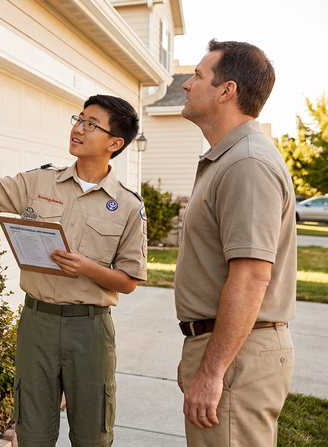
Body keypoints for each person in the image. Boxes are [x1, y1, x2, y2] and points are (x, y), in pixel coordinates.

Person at [0, 94, 147, 447]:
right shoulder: (40, 183)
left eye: (91, 124)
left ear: (114, 143)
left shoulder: (126, 205)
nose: (78, 128)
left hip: (90, 329)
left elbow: (128, 282)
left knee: (92, 434)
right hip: (38, 322)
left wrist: (88, 268)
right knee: (32, 433)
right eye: (79, 119)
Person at [174, 39, 296, 447]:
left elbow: (251, 279)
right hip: (226, 347)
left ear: (226, 90)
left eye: (198, 75)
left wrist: (211, 371)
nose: (187, 85)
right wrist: (199, 353)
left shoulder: (246, 163)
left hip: (238, 356)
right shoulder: (228, 159)